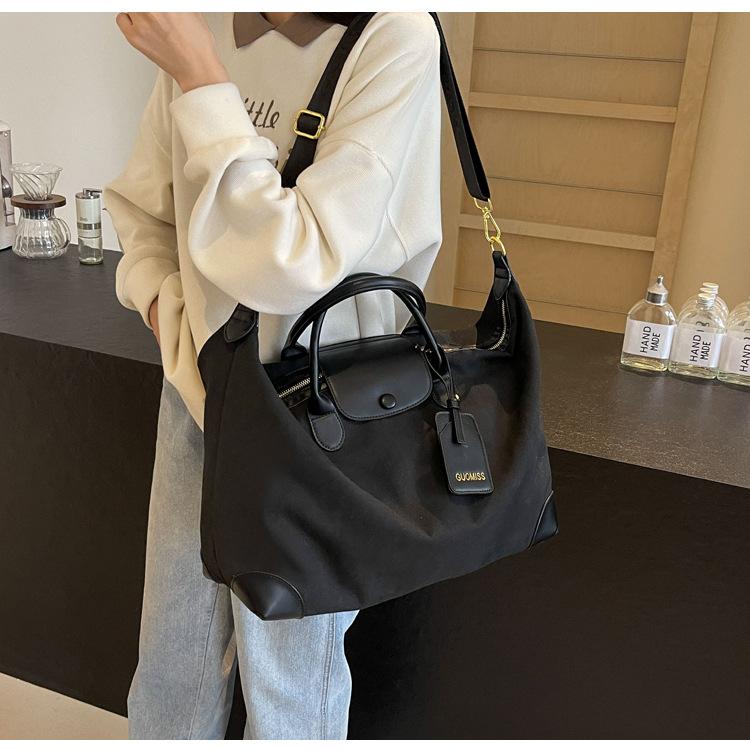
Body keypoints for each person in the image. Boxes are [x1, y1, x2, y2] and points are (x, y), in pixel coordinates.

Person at [104, 11, 442, 740]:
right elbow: (146, 208)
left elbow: (298, 258)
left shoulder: (394, 34)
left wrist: (202, 77)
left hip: (317, 413)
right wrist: (164, 305)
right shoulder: (204, 25)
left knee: (289, 677)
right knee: (171, 659)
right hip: (199, 387)